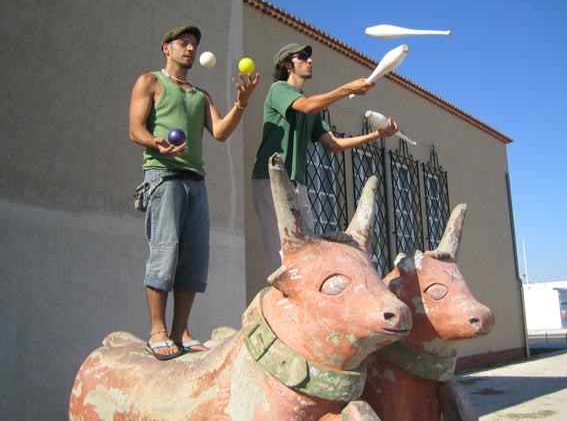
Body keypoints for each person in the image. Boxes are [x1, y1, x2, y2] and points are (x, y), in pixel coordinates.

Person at [129, 25, 259, 360]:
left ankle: (180, 331)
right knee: (165, 252)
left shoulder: (200, 95)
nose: (190, 49)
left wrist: (241, 105)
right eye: (184, 43)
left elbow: (220, 132)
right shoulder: (150, 82)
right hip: (164, 177)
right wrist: (154, 141)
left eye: (194, 44)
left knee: (195, 259)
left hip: (196, 182)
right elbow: (135, 128)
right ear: (166, 47)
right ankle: (157, 331)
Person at [251, 43, 398, 273]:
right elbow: (307, 106)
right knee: (284, 261)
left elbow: (334, 144)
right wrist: (347, 88)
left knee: (308, 259)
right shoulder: (278, 89)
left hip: (298, 185)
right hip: (271, 183)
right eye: (303, 57)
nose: (310, 60)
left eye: (310, 57)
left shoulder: (312, 108)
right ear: (288, 65)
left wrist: (377, 134)